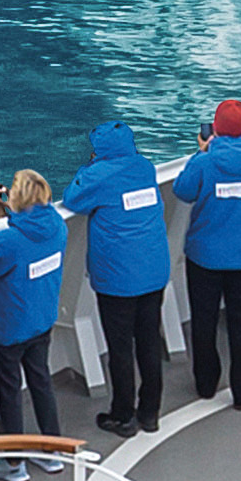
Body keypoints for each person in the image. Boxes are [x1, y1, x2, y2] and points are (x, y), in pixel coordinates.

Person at [61, 116, 179, 435]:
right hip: (152, 272)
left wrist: (89, 166)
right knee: (149, 342)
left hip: (118, 281)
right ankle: (150, 413)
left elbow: (73, 198)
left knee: (121, 349)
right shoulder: (145, 167)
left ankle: (124, 416)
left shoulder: (97, 175)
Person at [174, 97, 241, 409]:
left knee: (204, 320)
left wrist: (203, 151)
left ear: (215, 128)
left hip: (205, 257)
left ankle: (206, 384)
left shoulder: (204, 163)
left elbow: (183, 191)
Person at [0, 168, 73, 444]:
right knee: (41, 382)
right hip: (41, 320)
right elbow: (35, 225)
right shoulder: (57, 226)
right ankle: (53, 449)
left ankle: (14, 459)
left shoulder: (8, 242)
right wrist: (13, 210)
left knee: (10, 390)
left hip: (9, 329)